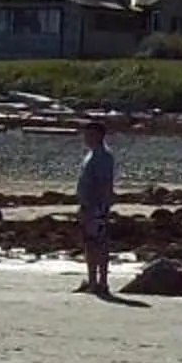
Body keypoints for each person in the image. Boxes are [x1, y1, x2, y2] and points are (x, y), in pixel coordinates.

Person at [75, 116, 116, 296]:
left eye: (91, 134)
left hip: (96, 207)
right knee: (90, 244)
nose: (87, 138)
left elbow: (104, 183)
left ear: (99, 135)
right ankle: (92, 280)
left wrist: (99, 208)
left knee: (97, 244)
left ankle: (101, 282)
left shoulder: (103, 156)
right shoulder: (91, 155)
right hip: (88, 205)